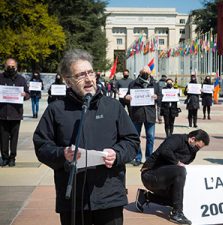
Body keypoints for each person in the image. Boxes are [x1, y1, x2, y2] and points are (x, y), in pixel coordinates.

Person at [33, 49, 140, 225]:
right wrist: (62, 154)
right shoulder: (56, 109)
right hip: (73, 199)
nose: (89, 79)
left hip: (109, 195)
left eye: (90, 72)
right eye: (81, 75)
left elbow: (131, 141)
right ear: (68, 81)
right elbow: (42, 145)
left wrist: (117, 154)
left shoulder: (113, 106)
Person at [135, 129, 210, 225]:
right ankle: (177, 213)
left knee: (178, 199)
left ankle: (145, 196)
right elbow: (165, 151)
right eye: (197, 146)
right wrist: (177, 163)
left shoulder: (192, 153)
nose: (197, 149)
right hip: (150, 174)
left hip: (165, 180)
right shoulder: (176, 139)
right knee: (180, 171)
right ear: (192, 139)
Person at [125, 66, 159, 166]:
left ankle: (149, 158)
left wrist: (157, 97)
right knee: (136, 137)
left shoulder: (154, 84)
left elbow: (160, 96)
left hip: (150, 114)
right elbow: (127, 95)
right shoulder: (133, 84)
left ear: (150, 74)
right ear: (140, 73)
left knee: (151, 137)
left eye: (147, 72)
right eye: (143, 72)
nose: (145, 74)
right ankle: (138, 157)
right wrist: (127, 97)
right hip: (137, 114)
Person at [0, 58, 30, 167]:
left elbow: (28, 94)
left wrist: (25, 95)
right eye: (8, 66)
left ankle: (12, 157)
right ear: (5, 66)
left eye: (12, 66)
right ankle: (4, 157)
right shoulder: (0, 78)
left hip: (16, 114)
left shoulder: (21, 79)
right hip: (2, 113)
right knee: (3, 138)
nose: (11, 68)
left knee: (14, 138)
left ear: (16, 67)